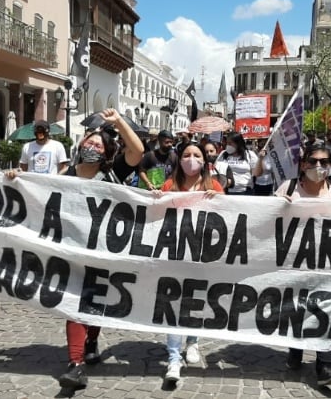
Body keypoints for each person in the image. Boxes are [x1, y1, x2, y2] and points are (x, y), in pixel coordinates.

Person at [56, 109, 145, 389]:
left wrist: (118, 122)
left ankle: (91, 340)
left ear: (106, 152)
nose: (92, 147)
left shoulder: (112, 174)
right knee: (75, 305)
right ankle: (75, 364)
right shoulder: (65, 175)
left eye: (98, 145)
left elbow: (137, 151)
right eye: (89, 142)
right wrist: (14, 177)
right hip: (72, 250)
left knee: (94, 302)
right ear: (81, 145)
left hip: (104, 252)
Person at [274, 142, 331, 386]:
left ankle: (326, 365)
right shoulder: (289, 187)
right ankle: (295, 350)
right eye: (313, 161)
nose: (318, 166)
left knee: (326, 307)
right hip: (294, 261)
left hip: (327, 262)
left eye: (324, 162)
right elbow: (268, 221)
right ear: (303, 164)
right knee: (298, 308)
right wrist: (277, 205)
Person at [155, 142, 224, 382]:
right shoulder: (169, 185)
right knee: (174, 304)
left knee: (195, 301)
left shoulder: (214, 186)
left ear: (204, 160)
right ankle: (173, 359)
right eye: (186, 154)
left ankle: (193, 341)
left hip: (202, 257)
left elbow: (229, 217)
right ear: (179, 159)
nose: (191, 159)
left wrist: (220, 200)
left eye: (196, 155)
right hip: (174, 255)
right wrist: (156, 199)